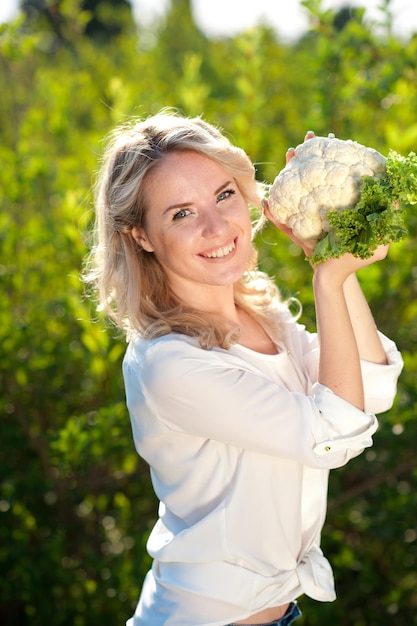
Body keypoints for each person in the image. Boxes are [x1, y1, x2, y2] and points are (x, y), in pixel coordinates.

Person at [85, 111, 403, 626]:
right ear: (141, 235)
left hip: (278, 615)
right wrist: (328, 278)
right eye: (181, 214)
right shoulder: (168, 363)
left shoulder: (262, 313)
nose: (216, 226)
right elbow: (334, 435)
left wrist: (338, 263)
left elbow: (367, 387)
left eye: (224, 195)